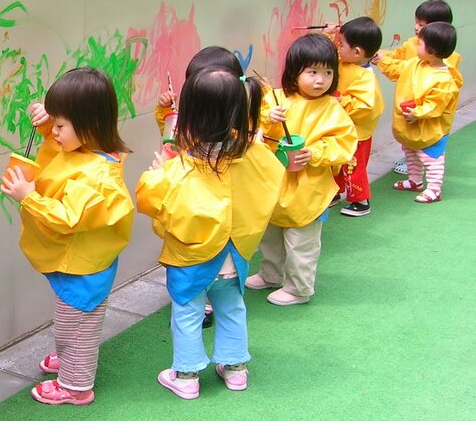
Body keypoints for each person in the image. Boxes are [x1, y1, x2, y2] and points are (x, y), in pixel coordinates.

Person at [137, 69, 284, 399]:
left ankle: (186, 376)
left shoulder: (181, 166)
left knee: (187, 313)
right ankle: (235, 370)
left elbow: (151, 202)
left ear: (190, 114)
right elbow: (272, 181)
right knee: (232, 309)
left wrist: (155, 175)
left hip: (192, 258)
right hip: (235, 255)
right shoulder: (254, 156)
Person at [0, 67, 133, 406]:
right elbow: (60, 152)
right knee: (72, 322)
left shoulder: (97, 175)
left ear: (87, 125)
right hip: (80, 260)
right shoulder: (90, 150)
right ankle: (73, 359)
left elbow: (66, 218)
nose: (54, 132)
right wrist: (49, 124)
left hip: (84, 266)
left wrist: (28, 196)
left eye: (60, 125)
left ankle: (76, 385)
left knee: (75, 325)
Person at [245, 34, 356, 306]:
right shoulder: (277, 99)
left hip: (309, 189)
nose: (321, 79)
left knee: (301, 243)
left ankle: (298, 288)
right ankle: (271, 274)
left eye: (328, 72)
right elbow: (257, 134)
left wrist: (315, 153)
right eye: (313, 72)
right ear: (294, 73)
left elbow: (344, 143)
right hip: (274, 184)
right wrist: (268, 120)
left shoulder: (331, 108)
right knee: (269, 237)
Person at [155, 47, 250, 328]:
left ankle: (187, 371)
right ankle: (234, 364)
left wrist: (159, 176)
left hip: (206, 209)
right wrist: (165, 110)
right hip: (193, 206)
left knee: (200, 270)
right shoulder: (198, 121)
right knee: (226, 298)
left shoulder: (234, 133)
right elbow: (170, 134)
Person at [374, 0, 461, 175]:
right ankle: (413, 166)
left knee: (430, 143)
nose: (416, 28)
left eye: (421, 25)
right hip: (411, 104)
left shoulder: (446, 63)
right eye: (416, 22)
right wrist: (382, 58)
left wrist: (422, 110)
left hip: (428, 109)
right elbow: (398, 58)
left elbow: (441, 96)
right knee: (410, 136)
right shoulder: (413, 44)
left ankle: (432, 181)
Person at [382, 22, 464, 204]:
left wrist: (418, 113)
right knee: (410, 151)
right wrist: (382, 60)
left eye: (420, 44)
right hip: (412, 126)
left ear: (432, 51)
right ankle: (415, 181)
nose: (416, 46)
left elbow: (436, 104)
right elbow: (398, 69)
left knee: (431, 158)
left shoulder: (443, 79)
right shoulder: (416, 63)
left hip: (430, 130)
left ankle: (434, 189)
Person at [326, 17, 385, 217]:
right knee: (335, 162)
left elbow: (364, 107)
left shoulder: (365, 77)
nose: (338, 47)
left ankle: (361, 200)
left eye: (341, 44)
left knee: (353, 166)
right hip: (341, 127)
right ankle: (333, 192)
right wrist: (330, 34)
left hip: (357, 133)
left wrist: (340, 100)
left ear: (357, 52)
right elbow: (329, 54)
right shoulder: (347, 59)